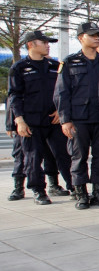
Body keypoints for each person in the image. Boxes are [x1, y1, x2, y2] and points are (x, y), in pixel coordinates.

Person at [7, 31, 73, 204]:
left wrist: (60, 112)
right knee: (33, 157)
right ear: (31, 45)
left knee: (63, 154)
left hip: (53, 120)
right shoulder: (19, 68)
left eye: (47, 42)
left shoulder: (54, 65)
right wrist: (19, 120)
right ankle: (39, 191)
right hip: (31, 121)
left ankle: (74, 187)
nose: (47, 45)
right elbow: (14, 95)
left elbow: (62, 91)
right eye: (43, 42)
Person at [54, 23, 99, 209]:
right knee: (78, 157)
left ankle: (98, 192)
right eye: (92, 35)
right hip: (79, 119)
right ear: (81, 38)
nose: (97, 38)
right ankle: (80, 193)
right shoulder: (70, 62)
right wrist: (65, 120)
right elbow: (61, 93)